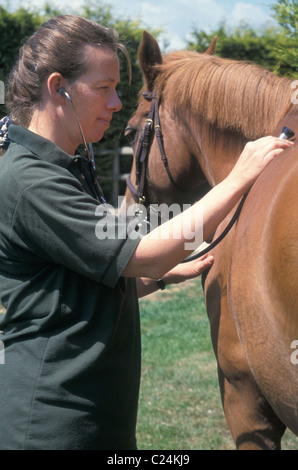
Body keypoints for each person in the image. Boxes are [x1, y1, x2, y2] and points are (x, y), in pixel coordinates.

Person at [0, 15, 293, 450]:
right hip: (51, 427)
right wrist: (239, 178)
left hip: (96, 423)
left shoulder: (66, 168)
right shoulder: (30, 181)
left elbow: (73, 285)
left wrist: (157, 278)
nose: (117, 103)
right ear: (57, 86)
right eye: (105, 88)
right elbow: (145, 251)